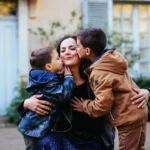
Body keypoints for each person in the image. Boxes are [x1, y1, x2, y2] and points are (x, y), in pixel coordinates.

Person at [18, 35, 150, 150]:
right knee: (45, 142)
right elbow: (35, 109)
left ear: (83, 52)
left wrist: (146, 91)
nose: (67, 52)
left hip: (96, 141)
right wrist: (26, 103)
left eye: (72, 48)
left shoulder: (97, 76)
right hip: (65, 140)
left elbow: (125, 87)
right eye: (62, 50)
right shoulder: (54, 84)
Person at [72, 28, 149, 150]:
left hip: (127, 117)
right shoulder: (111, 60)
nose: (76, 50)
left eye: (77, 46)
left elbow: (103, 105)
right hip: (137, 111)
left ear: (87, 51)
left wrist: (84, 106)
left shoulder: (99, 73)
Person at [18, 46, 76, 150]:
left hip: (33, 126)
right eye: (58, 58)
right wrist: (68, 78)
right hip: (33, 129)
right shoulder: (48, 80)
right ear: (49, 67)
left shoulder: (43, 77)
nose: (61, 59)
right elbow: (62, 94)